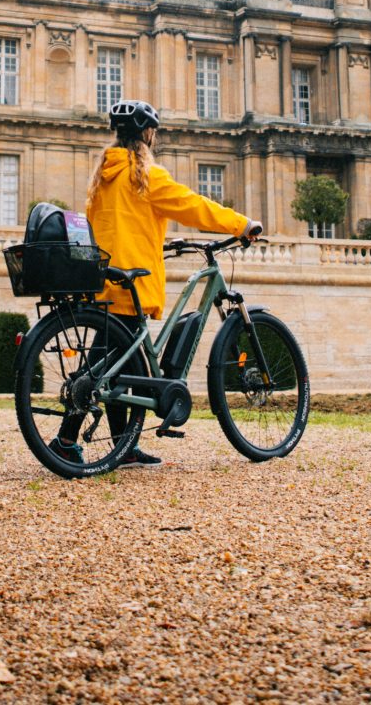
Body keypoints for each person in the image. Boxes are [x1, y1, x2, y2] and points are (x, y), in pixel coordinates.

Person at [50, 99, 262, 470]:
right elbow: (192, 205)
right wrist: (241, 225)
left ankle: (121, 446)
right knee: (108, 370)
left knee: (111, 368)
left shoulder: (103, 175)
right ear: (148, 134)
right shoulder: (144, 175)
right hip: (133, 281)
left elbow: (111, 224)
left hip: (103, 277)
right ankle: (67, 441)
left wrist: (155, 241)